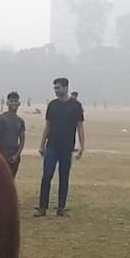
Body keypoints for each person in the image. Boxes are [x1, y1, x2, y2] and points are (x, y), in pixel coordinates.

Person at [34, 78, 85, 217]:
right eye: (55, 88)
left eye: (58, 88)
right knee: (47, 176)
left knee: (64, 178)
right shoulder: (52, 105)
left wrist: (82, 146)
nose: (56, 91)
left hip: (67, 148)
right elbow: (48, 126)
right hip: (52, 147)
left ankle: (61, 208)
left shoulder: (76, 106)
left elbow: (80, 126)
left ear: (66, 87)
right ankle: (42, 207)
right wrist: (42, 144)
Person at [0, 91, 26, 177]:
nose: (13, 103)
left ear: (19, 103)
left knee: (11, 180)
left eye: (15, 101)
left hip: (14, 157)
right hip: (2, 155)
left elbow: (22, 140)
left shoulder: (20, 121)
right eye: (11, 101)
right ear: (7, 103)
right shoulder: (0, 118)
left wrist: (17, 155)